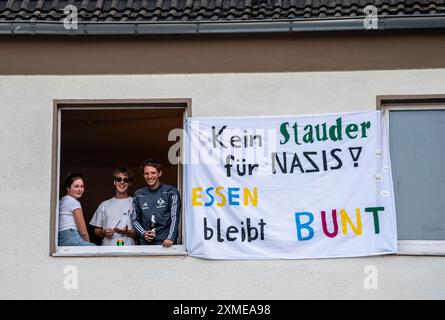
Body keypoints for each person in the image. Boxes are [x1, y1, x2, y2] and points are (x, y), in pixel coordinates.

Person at [132, 159, 181, 247]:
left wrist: (170, 238)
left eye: (153, 173)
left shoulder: (171, 192)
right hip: (145, 245)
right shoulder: (138, 194)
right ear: (143, 175)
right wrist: (144, 233)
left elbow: (175, 217)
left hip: (166, 243)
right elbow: (135, 219)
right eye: (146, 173)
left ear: (159, 173)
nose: (150, 176)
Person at [89, 166, 138, 246]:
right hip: (107, 252)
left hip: (129, 252)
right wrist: (103, 232)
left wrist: (127, 232)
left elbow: (141, 233)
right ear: (114, 182)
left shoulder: (135, 203)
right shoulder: (104, 205)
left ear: (129, 184)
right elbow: (96, 230)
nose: (122, 182)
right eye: (119, 179)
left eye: (125, 180)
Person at [58, 173, 95, 246]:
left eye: (82, 186)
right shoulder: (74, 202)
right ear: (68, 188)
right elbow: (83, 232)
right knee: (94, 249)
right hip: (71, 236)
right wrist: (89, 244)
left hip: (60, 239)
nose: (80, 189)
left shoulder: (60, 202)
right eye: (76, 186)